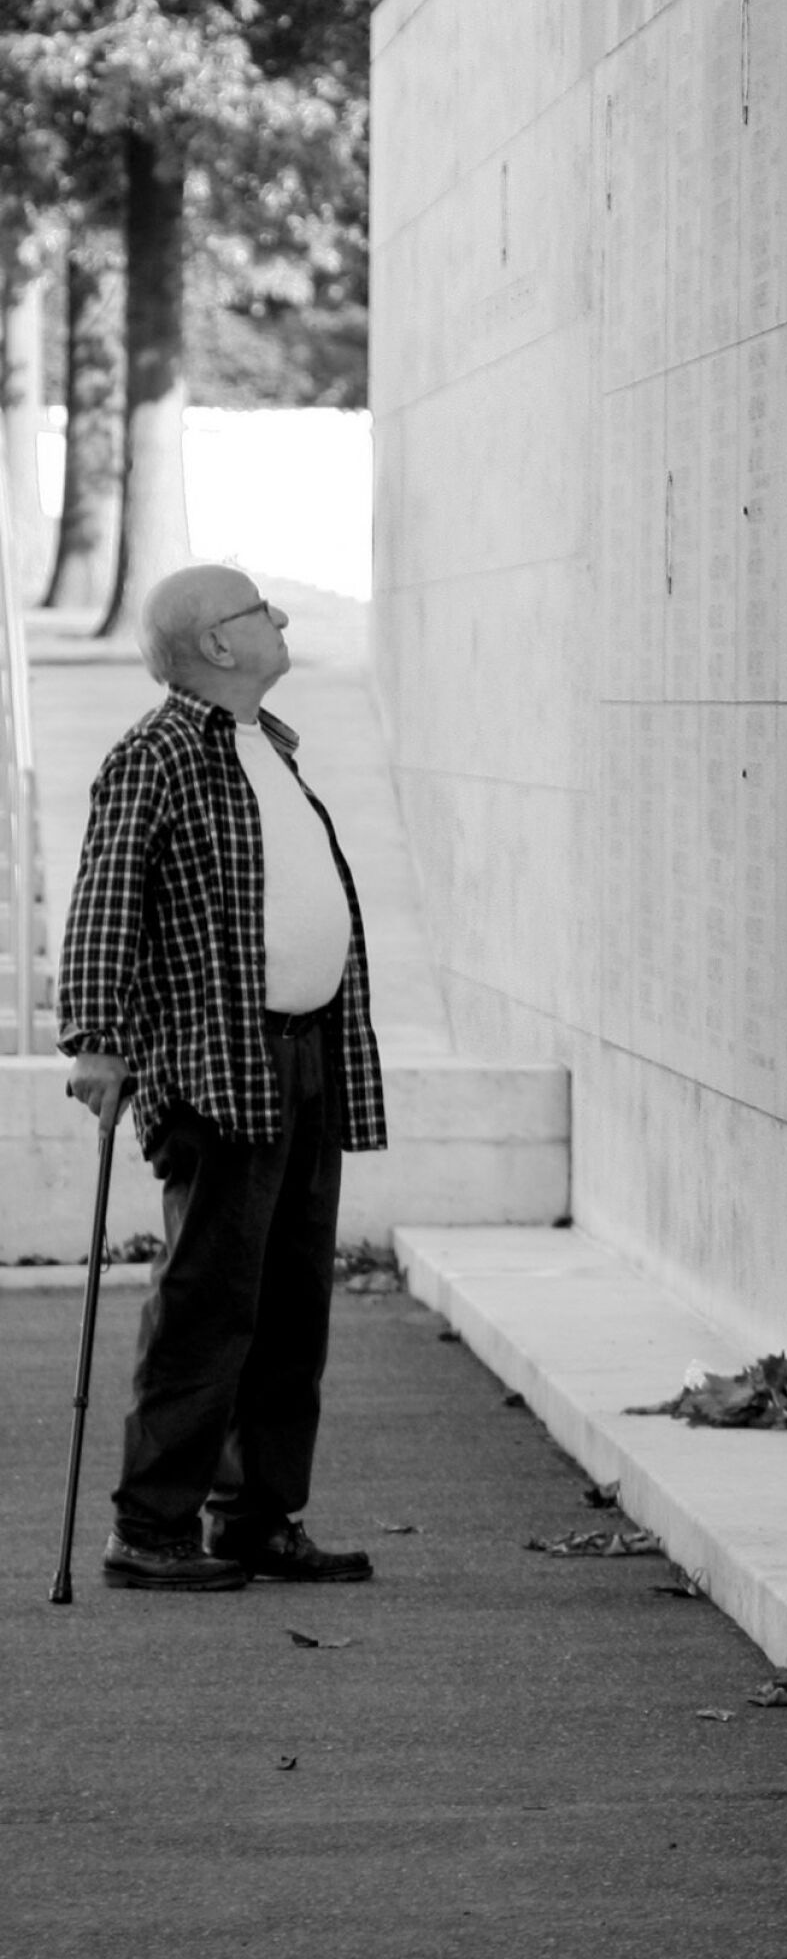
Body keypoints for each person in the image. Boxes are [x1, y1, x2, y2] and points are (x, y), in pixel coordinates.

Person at [57, 565, 387, 1591]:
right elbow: (107, 898)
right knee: (209, 1306)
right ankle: (149, 1530)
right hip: (218, 1067)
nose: (281, 616)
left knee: (293, 1308)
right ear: (216, 644)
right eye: (259, 609)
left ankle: (257, 1517)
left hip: (305, 1057)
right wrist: (96, 1040)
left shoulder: (267, 747)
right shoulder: (154, 755)